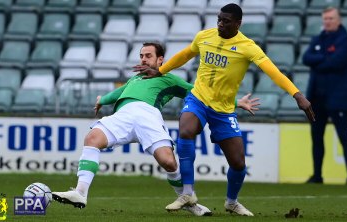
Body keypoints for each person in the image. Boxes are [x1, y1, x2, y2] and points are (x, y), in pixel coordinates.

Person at [134, 3, 315, 217]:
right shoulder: (204, 36)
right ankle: (188, 193)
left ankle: (231, 202)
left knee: (238, 163)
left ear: (238, 23)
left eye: (226, 21)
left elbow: (273, 72)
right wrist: (160, 70)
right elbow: (185, 55)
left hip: (224, 110)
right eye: (219, 19)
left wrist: (297, 95)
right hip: (199, 99)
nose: (220, 24)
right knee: (185, 130)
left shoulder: (248, 47)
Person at [52, 42, 260, 216]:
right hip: (123, 116)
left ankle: (190, 203)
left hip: (148, 116)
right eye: (141, 55)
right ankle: (80, 192)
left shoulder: (167, 77)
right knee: (92, 138)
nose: (143, 59)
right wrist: (102, 100)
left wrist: (236, 103)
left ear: (160, 60)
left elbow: (202, 94)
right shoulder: (135, 78)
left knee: (169, 162)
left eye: (148, 55)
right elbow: (118, 93)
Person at [302, 7, 347, 185]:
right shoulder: (318, 39)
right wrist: (324, 58)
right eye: (325, 19)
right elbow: (306, 58)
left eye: (331, 18)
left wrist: (318, 60)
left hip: (338, 99)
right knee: (317, 139)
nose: (327, 22)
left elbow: (337, 62)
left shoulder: (346, 40)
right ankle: (317, 175)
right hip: (317, 98)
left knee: (344, 138)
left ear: (338, 20)